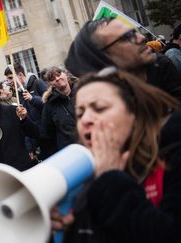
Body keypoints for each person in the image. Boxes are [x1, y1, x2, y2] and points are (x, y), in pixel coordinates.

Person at [52, 67, 181, 243]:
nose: (86, 120)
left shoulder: (173, 158)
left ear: (134, 112)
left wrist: (110, 179)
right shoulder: (82, 181)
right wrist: (73, 229)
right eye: (80, 113)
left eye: (100, 108)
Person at [65, 17, 181, 102]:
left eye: (134, 32)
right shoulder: (101, 116)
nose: (142, 38)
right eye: (127, 36)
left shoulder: (161, 63)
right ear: (103, 57)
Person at [40, 66, 77, 158]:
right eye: (52, 79)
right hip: (70, 154)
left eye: (59, 74)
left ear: (65, 74)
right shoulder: (50, 105)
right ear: (50, 84)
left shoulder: (83, 91)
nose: (57, 78)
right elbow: (47, 134)